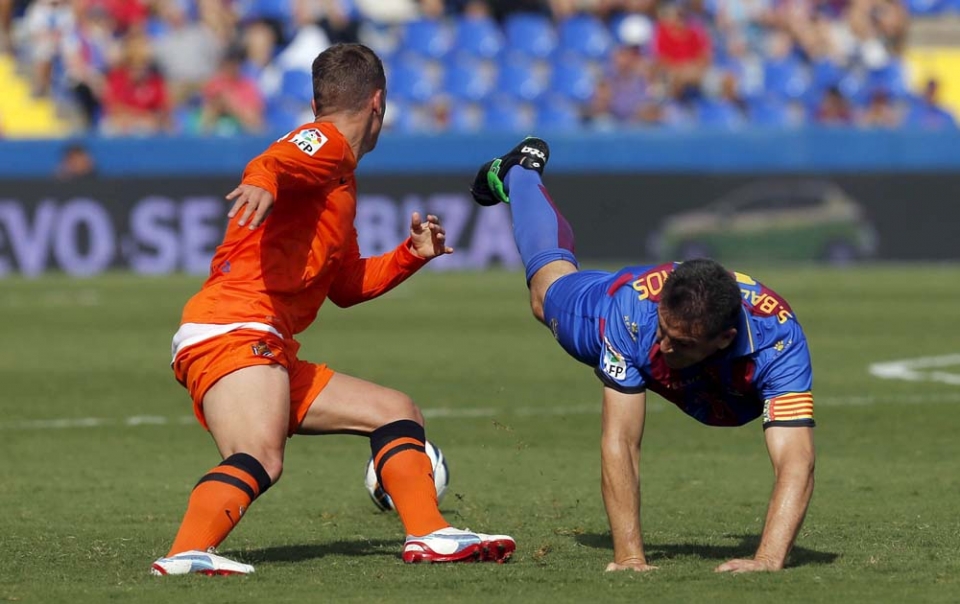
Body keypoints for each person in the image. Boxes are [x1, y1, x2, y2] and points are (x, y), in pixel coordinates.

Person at [151, 43, 515, 576]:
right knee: (261, 455)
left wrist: (410, 256)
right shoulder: (325, 145)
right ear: (378, 102)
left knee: (395, 411)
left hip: (257, 338)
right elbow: (276, 159)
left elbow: (343, 285)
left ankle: (431, 536)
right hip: (235, 327)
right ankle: (184, 554)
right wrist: (260, 179)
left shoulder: (339, 182)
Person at [469, 137, 815, 574]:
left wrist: (767, 559)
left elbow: (796, 460)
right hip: (610, 309)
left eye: (681, 343)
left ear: (726, 338)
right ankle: (519, 172)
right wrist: (629, 557)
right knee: (544, 295)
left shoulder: (778, 338)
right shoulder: (636, 314)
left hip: (723, 375)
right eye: (664, 333)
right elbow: (621, 442)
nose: (665, 348)